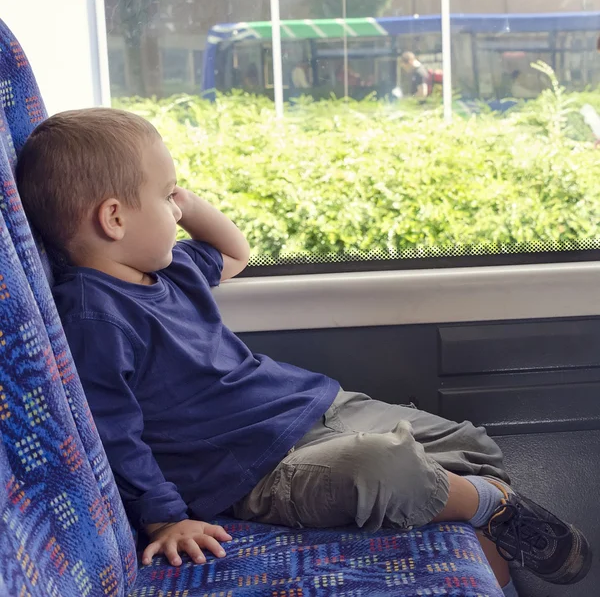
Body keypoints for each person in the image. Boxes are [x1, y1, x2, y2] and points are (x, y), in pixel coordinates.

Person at [16, 109, 592, 597]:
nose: (177, 210)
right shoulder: (94, 314)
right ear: (114, 218)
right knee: (385, 466)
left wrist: (178, 198)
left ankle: (492, 550)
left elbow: (236, 251)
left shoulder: (171, 271)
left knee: (467, 442)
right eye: (167, 197)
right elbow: (116, 431)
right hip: (253, 469)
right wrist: (166, 514)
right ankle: (493, 505)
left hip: (313, 408)